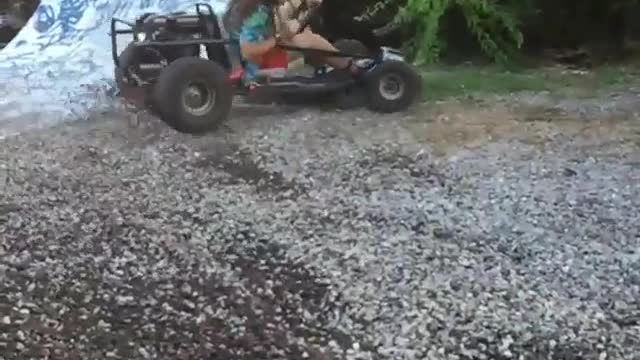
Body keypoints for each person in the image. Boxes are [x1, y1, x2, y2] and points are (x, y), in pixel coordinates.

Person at [226, 0, 361, 84]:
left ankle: (338, 65)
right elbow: (247, 52)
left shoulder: (256, 5)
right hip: (254, 67)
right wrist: (279, 38)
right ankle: (352, 69)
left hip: (255, 60)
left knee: (302, 35)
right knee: (307, 40)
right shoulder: (257, 13)